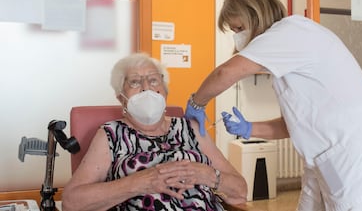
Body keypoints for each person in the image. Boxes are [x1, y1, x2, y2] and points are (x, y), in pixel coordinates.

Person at [184, 0, 362, 211]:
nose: (237, 38)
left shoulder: (291, 32)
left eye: (237, 28)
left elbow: (226, 72)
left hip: (355, 161)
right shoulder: (284, 55)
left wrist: (197, 101)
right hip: (324, 163)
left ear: (253, 14)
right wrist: (248, 128)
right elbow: (291, 125)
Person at [62, 53, 247, 211]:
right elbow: (71, 202)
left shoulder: (191, 129)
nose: (146, 87)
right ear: (121, 98)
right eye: (134, 82)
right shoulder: (111, 134)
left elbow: (240, 190)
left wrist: (207, 175)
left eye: (153, 80)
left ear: (165, 91)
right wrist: (139, 183)